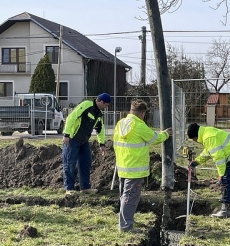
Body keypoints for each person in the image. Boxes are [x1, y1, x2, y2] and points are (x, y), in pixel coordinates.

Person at [113, 100, 172, 232]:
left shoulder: (120, 124)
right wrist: (166, 133)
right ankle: (126, 226)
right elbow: (155, 138)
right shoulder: (139, 125)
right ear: (142, 113)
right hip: (135, 169)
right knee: (130, 198)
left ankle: (126, 220)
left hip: (123, 167)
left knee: (125, 196)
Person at [187, 123, 230, 218]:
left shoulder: (208, 138)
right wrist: (197, 161)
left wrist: (221, 174)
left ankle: (226, 210)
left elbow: (219, 157)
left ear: (196, 136)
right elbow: (208, 151)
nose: (195, 141)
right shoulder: (207, 132)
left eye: (194, 139)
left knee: (226, 180)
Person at [62, 93, 110, 196]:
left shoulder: (98, 114)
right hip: (72, 139)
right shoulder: (87, 105)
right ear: (101, 102)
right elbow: (71, 117)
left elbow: (100, 128)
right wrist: (66, 134)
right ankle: (68, 189)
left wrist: (101, 144)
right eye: (106, 105)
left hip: (83, 141)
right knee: (70, 163)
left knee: (86, 163)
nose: (106, 107)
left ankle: (85, 188)